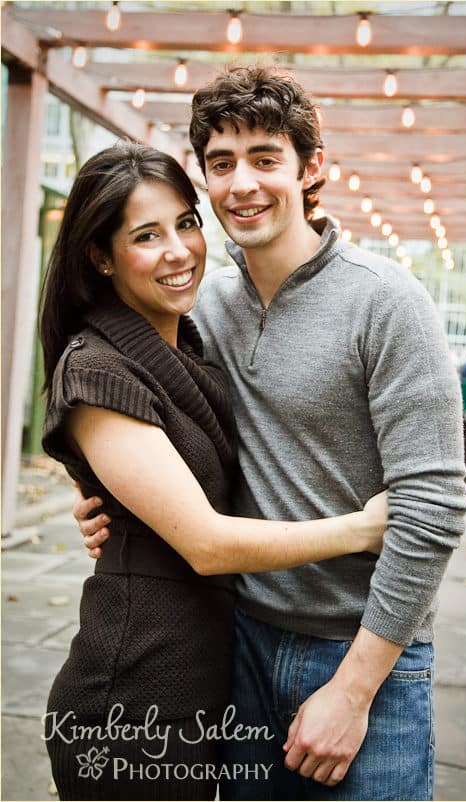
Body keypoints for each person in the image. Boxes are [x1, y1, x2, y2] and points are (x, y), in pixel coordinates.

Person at [77, 66, 466, 801]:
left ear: (311, 167)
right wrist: (109, 501)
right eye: (221, 164)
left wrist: (352, 692)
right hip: (240, 646)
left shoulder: (386, 303)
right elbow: (157, 426)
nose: (242, 184)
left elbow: (433, 508)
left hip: (365, 654)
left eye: (265, 158)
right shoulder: (203, 308)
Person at [38, 141, 388, 801]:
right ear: (100, 255)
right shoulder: (96, 368)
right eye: (146, 235)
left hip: (197, 685)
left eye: (186, 222)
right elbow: (204, 544)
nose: (179, 250)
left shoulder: (187, 346)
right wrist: (364, 528)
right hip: (132, 701)